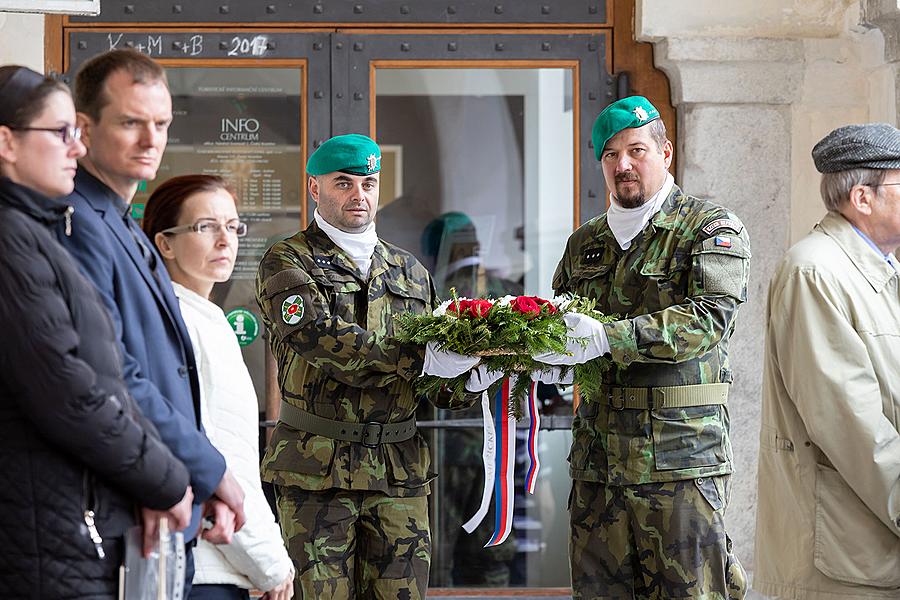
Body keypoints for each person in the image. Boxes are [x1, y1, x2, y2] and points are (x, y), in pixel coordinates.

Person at [533, 96, 750, 599]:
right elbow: (565, 337)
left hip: (680, 459)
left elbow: (709, 319)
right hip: (598, 464)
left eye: (636, 150)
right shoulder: (583, 244)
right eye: (610, 155)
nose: (623, 165)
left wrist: (610, 337)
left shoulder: (709, 229)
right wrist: (535, 359)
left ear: (665, 152)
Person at [255, 133, 480, 599]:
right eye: (344, 183)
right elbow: (328, 345)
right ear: (315, 188)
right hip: (317, 471)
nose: (359, 195)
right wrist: (422, 355)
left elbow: (435, 386)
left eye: (369, 183)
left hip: (398, 473)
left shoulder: (411, 272)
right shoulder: (287, 260)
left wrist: (478, 373)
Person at [56, 49, 245, 595]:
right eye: (131, 122)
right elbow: (114, 373)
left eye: (160, 123)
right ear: (84, 128)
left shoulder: (120, 223)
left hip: (158, 502)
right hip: (118, 510)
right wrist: (204, 470)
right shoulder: (78, 224)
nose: (151, 140)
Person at [0, 65, 193, 596]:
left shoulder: (37, 230)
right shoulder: (14, 238)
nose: (76, 149)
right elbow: (68, 388)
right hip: (47, 538)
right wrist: (167, 477)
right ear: (7, 143)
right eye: (61, 133)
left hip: (71, 527)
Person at [754, 123, 900, 599]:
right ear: (863, 197)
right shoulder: (815, 271)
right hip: (847, 560)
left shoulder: (877, 268)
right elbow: (851, 427)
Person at [143, 174, 295, 600]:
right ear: (165, 243)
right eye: (205, 226)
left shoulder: (206, 318)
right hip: (205, 565)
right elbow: (218, 457)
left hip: (217, 562)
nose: (225, 240)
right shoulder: (181, 323)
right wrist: (270, 565)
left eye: (232, 226)